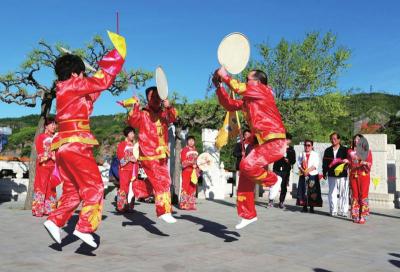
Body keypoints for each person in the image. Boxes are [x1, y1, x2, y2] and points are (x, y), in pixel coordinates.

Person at [43, 38, 125, 248]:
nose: (83, 77)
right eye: (81, 74)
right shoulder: (74, 84)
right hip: (76, 145)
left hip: (63, 148)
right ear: (74, 74)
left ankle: (54, 220)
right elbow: (102, 81)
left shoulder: (64, 90)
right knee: (95, 187)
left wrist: (100, 74)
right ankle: (84, 227)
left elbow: (93, 93)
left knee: (72, 191)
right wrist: (117, 56)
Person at [213, 67, 286, 229]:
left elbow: (238, 87)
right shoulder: (249, 100)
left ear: (258, 82)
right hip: (262, 142)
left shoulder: (263, 91)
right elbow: (229, 104)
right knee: (245, 172)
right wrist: (219, 87)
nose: (246, 82)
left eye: (248, 79)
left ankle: (274, 180)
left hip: (274, 141)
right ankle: (248, 215)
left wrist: (224, 75)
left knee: (246, 165)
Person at [127, 86, 178, 223]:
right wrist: (135, 107)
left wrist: (169, 106)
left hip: (162, 155)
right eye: (152, 97)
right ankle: (164, 211)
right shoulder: (143, 113)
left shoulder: (164, 113)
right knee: (163, 181)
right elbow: (132, 121)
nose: (155, 100)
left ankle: (136, 188)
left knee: (156, 182)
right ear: (148, 99)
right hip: (148, 153)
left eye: (157, 97)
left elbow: (174, 117)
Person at [32, 117, 57, 217]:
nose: (54, 126)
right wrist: (52, 154)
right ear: (46, 126)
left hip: (53, 165)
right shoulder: (41, 137)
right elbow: (40, 153)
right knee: (41, 186)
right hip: (43, 165)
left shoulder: (56, 137)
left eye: (55, 124)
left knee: (51, 187)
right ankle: (38, 210)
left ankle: (50, 209)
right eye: (52, 124)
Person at [322, 132, 349, 217]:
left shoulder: (345, 150)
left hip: (342, 174)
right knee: (332, 192)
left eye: (335, 139)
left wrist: (345, 165)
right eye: (331, 139)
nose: (333, 140)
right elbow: (325, 163)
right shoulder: (328, 150)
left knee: (343, 192)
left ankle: (343, 210)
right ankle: (333, 210)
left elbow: (348, 161)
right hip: (331, 174)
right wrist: (324, 172)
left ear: (339, 140)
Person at [347, 134, 372, 224]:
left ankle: (363, 216)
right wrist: (346, 162)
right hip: (353, 175)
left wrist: (364, 162)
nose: (356, 141)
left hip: (364, 176)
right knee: (355, 195)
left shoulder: (367, 151)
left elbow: (369, 164)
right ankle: (355, 215)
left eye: (358, 139)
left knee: (363, 195)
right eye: (355, 139)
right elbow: (349, 162)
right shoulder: (350, 151)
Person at [116, 127, 139, 212]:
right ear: (127, 134)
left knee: (133, 188)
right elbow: (120, 158)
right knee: (124, 187)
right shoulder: (122, 144)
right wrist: (129, 158)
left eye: (133, 133)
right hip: (125, 169)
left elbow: (138, 157)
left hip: (134, 169)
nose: (133, 135)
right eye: (131, 133)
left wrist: (137, 159)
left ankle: (130, 206)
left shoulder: (135, 145)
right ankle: (121, 206)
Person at [296, 139, 322, 213]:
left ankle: (311, 206)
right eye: (305, 145)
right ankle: (304, 206)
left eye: (308, 145)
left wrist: (307, 171)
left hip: (312, 174)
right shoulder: (301, 154)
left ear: (312, 146)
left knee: (312, 190)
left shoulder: (315, 154)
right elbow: (298, 163)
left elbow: (315, 165)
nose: (307, 147)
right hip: (303, 174)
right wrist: (303, 170)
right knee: (303, 189)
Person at [273, 133, 296, 209]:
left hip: (286, 170)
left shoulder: (291, 150)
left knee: (284, 186)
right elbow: (273, 156)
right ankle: (271, 200)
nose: (286, 140)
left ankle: (281, 201)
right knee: (274, 185)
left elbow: (293, 161)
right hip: (277, 169)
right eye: (285, 139)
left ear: (290, 141)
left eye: (288, 139)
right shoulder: (278, 147)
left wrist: (288, 160)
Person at [179, 135, 199, 210]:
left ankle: (191, 204)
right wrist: (192, 163)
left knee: (193, 187)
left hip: (194, 171)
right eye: (190, 140)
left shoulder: (196, 151)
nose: (191, 142)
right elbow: (183, 162)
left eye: (192, 140)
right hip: (186, 171)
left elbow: (198, 161)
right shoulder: (184, 150)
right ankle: (184, 204)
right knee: (185, 186)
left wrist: (198, 166)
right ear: (187, 141)